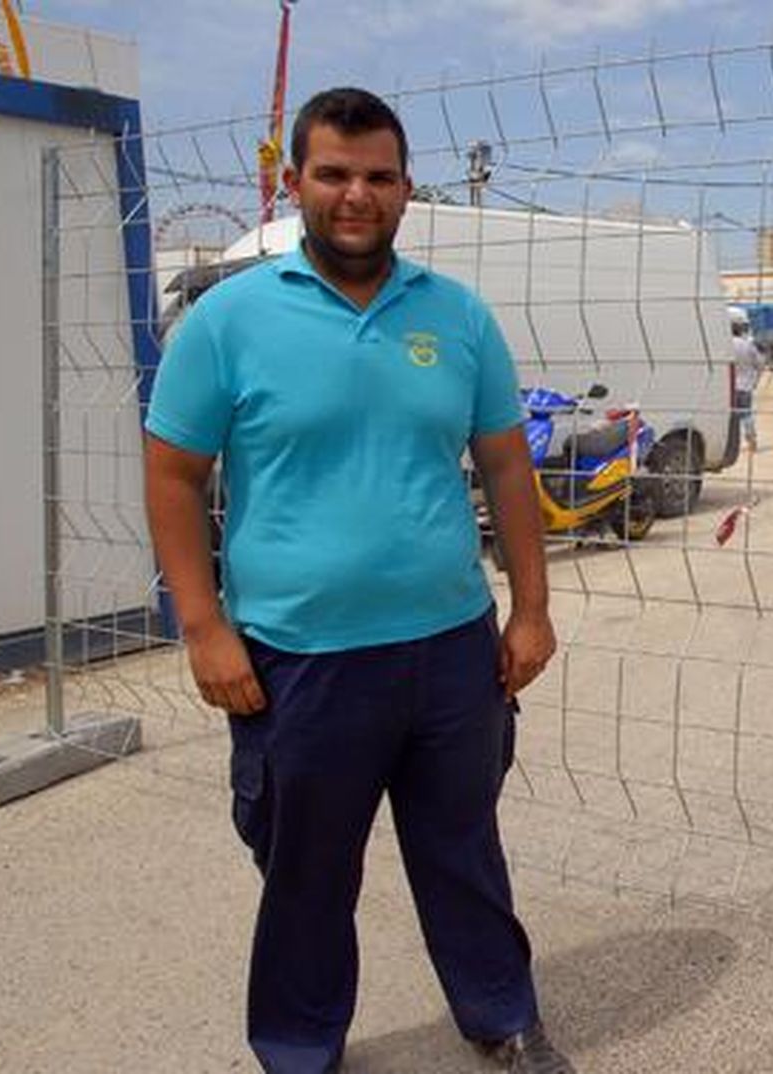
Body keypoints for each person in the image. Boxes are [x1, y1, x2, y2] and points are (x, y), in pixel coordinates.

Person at [143, 87, 573, 1074]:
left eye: (378, 176)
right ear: (294, 183)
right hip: (299, 661)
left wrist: (532, 610)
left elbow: (507, 466)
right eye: (333, 173)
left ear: (406, 190)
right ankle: (301, 1048)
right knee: (306, 874)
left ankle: (502, 1017)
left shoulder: (456, 317)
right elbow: (172, 476)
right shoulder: (229, 320)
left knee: (464, 855)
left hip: (451, 652)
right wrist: (203, 627)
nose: (356, 195)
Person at [730, 307, 762, 452]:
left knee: (732, 417)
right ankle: (751, 440)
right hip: (746, 386)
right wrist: (756, 381)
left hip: (731, 387)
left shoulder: (727, 345)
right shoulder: (748, 345)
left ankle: (732, 444)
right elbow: (759, 364)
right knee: (747, 414)